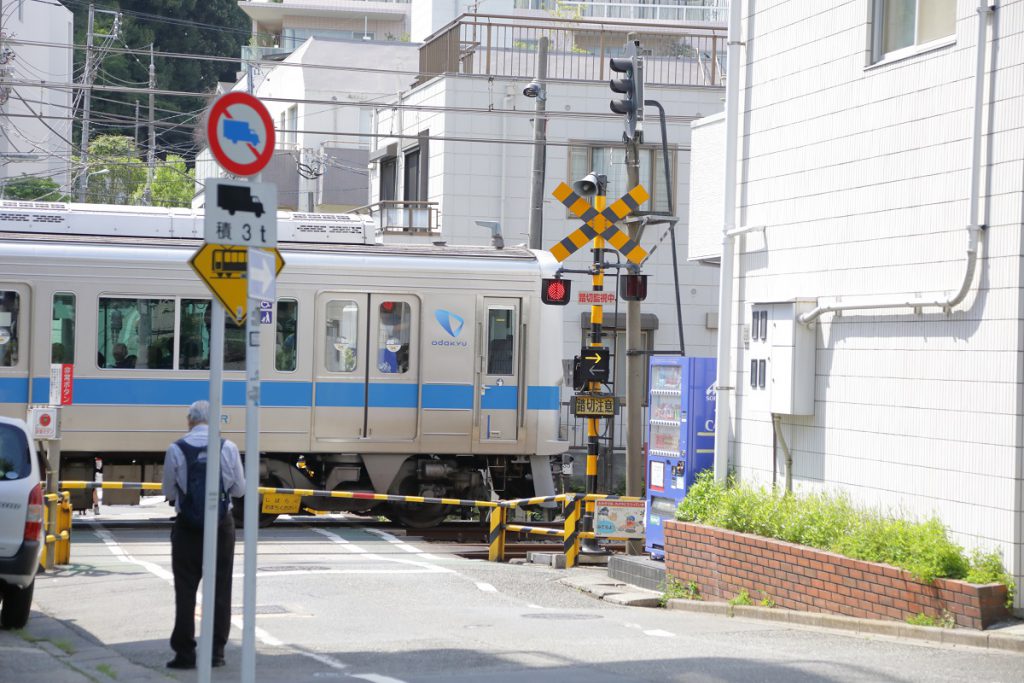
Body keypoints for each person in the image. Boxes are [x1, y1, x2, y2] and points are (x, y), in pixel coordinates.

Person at [161, 400, 245, 670]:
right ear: (214, 421)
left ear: (190, 420)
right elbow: (240, 490)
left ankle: (185, 653)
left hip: (187, 528)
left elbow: (170, 492)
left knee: (185, 590)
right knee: (220, 588)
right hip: (221, 527)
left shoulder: (176, 449)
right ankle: (216, 653)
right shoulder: (228, 448)